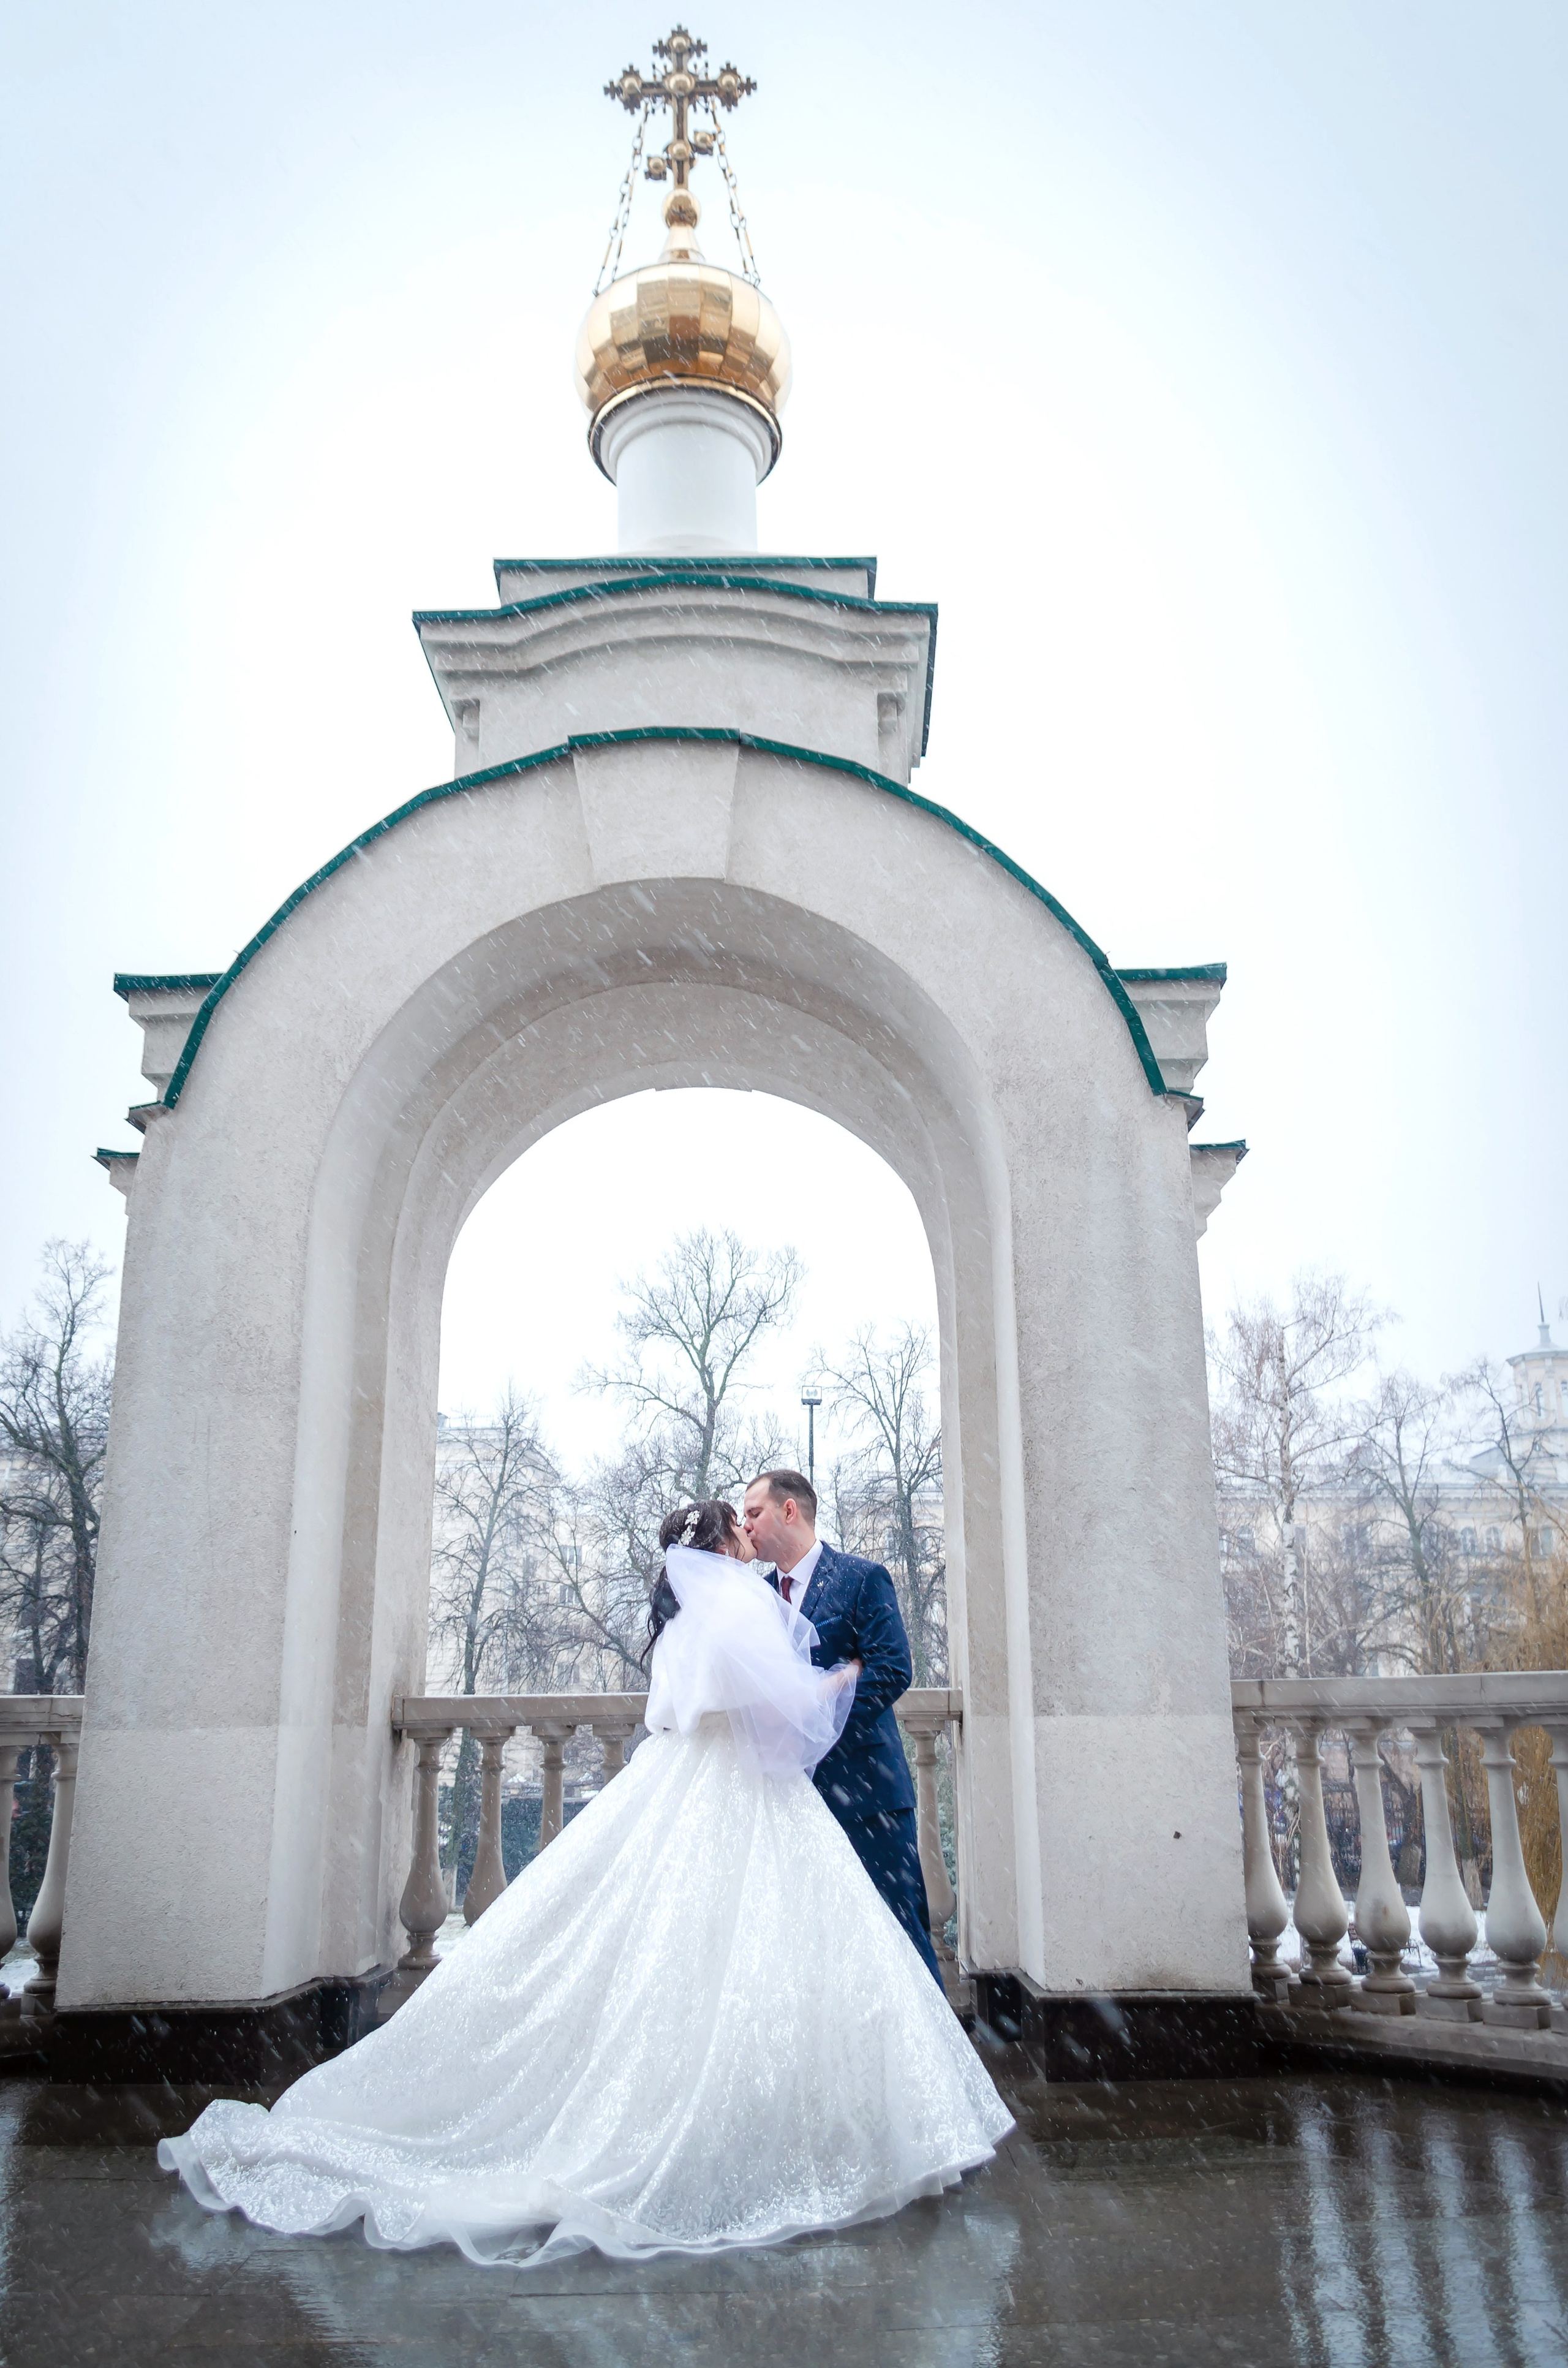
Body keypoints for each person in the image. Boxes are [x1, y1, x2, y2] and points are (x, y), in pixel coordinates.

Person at [159, 1498, 1011, 2266]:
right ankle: (793, 2127)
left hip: (676, 1785)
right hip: (742, 1800)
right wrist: (838, 1680)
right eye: (739, 1522)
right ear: (719, 1549)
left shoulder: (682, 1630)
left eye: (757, 1514)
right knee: (754, 1959)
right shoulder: (737, 1616)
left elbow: (691, 1713)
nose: (751, 1530)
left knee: (672, 1963)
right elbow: (780, 1717)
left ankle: (711, 2109)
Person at [744, 1469, 943, 1984]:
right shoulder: (756, 1598)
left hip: (869, 1796)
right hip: (794, 1802)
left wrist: (818, 1723)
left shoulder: (861, 1577)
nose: (746, 1526)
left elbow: (894, 1668)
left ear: (790, 1511)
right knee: (822, 1950)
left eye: (753, 1513)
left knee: (900, 1935)